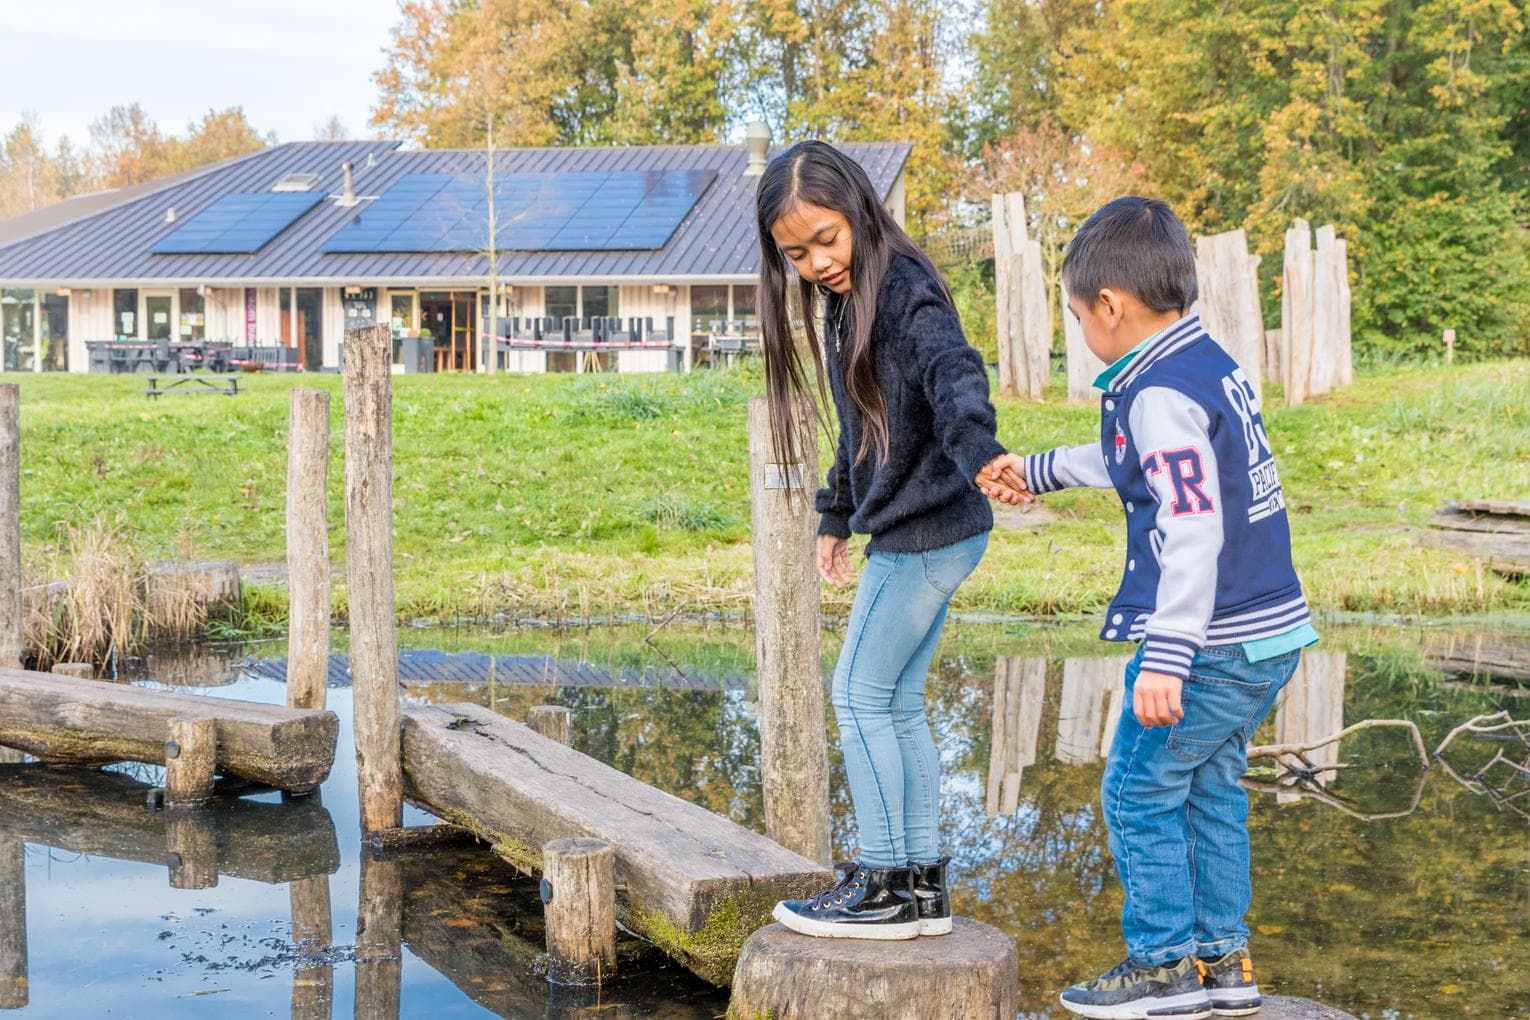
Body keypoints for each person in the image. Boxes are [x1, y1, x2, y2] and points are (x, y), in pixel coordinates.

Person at [982, 197, 1317, 1018]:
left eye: (1074, 315)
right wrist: (1042, 467)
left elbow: (1192, 526)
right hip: (1271, 633)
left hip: (1210, 641)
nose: (1077, 332)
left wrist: (1167, 653)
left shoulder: (1157, 392)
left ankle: (1163, 964)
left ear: (1110, 306)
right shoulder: (1203, 362)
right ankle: (1223, 961)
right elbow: (1144, 461)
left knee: (1136, 791)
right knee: (1210, 787)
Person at [755, 140, 1028, 941]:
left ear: (861, 212)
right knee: (897, 703)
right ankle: (920, 888)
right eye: (795, 253)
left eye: (826, 239)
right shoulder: (849, 302)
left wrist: (980, 452)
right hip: (926, 530)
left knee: (857, 696)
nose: (816, 263)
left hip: (927, 532)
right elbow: (859, 422)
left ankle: (881, 886)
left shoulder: (906, 288)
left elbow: (956, 374)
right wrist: (834, 513)